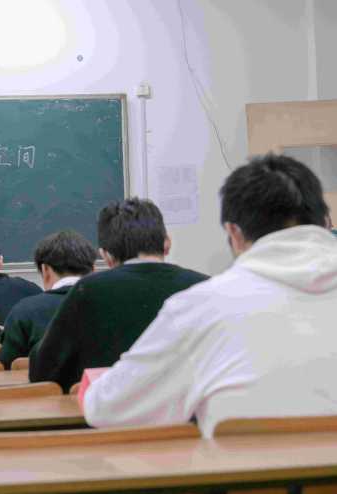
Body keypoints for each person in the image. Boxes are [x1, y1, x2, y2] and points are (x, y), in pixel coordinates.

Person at [81, 154, 337, 438]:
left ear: (234, 233)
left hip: (247, 466)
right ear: (323, 221)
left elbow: (106, 408)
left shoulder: (200, 307)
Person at [29, 198, 208, 392]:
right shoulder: (204, 287)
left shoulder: (88, 290)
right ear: (167, 243)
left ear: (105, 255)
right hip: (191, 408)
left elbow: (43, 370)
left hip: (112, 410)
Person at [0, 230, 96, 370]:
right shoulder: (113, 304)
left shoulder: (25, 311)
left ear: (45, 269)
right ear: (93, 270)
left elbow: (4, 365)